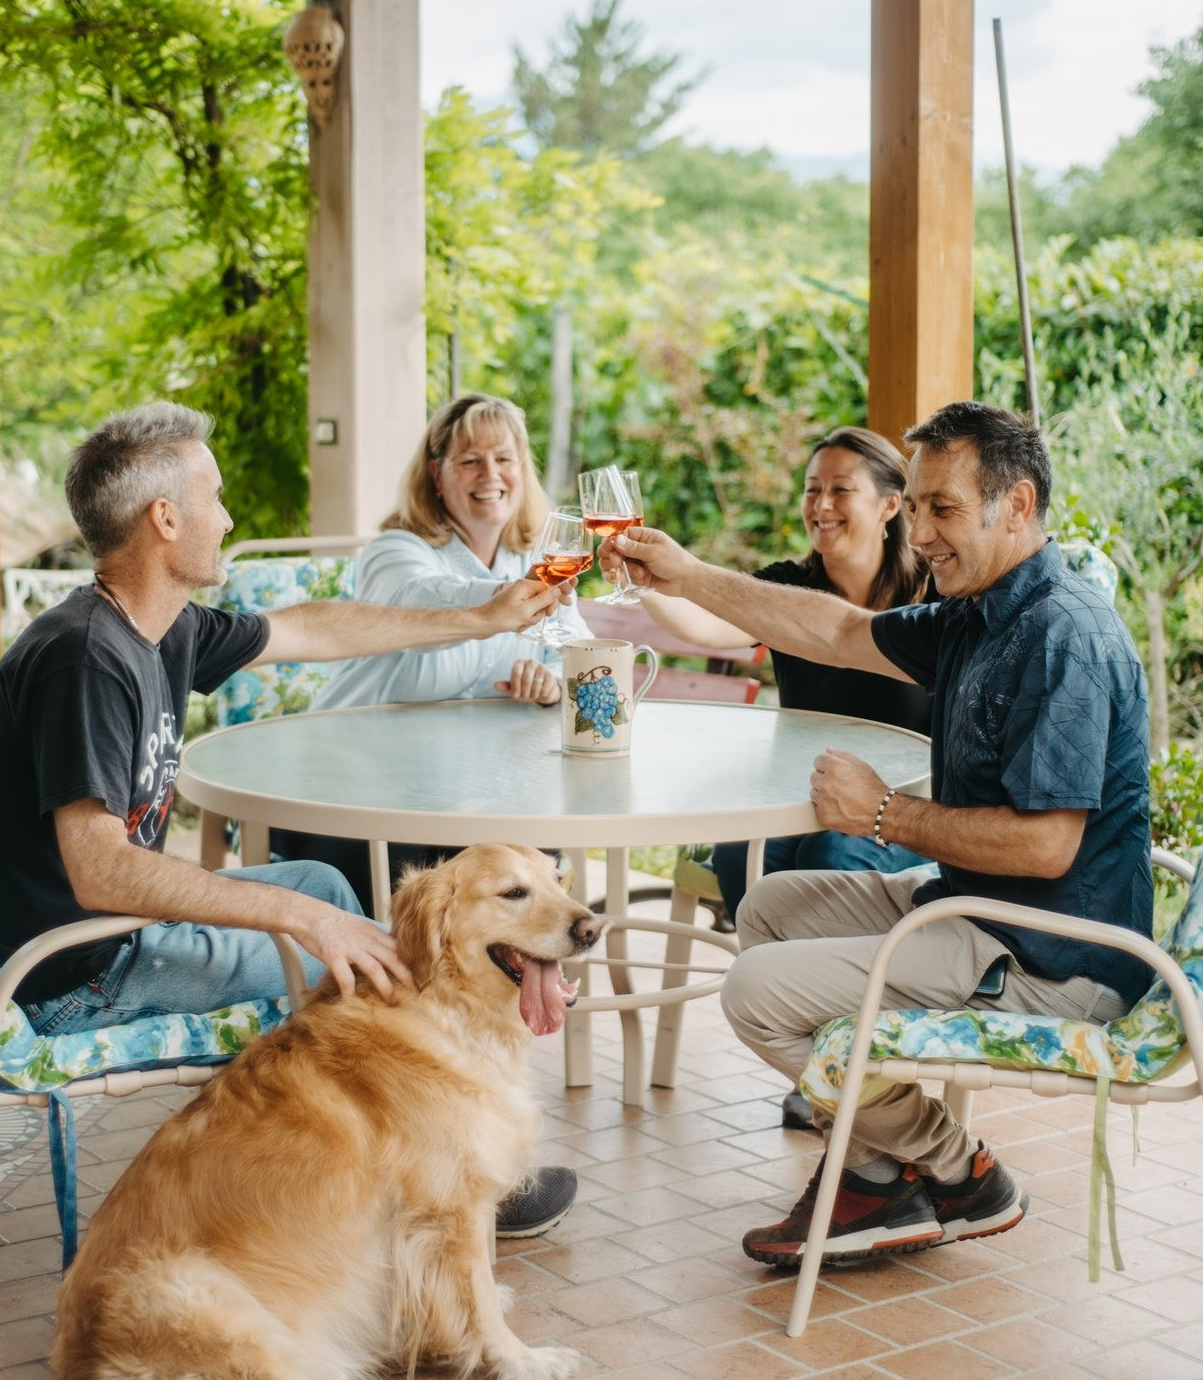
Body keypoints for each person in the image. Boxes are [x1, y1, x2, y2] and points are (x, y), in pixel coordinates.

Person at [0, 403, 570, 1237]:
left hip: (108, 936)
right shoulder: (85, 660)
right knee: (364, 972)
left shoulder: (156, 627)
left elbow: (314, 625)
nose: (229, 515)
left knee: (328, 891)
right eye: (213, 494)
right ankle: (444, 1186)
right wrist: (300, 918)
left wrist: (482, 616)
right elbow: (98, 869)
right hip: (78, 975)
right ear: (164, 518)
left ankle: (403, 1167)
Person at [614, 401, 1151, 1266]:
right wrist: (686, 572)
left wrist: (881, 815)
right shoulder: (978, 611)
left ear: (1015, 507)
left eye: (944, 508)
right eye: (920, 504)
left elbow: (1049, 845)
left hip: (1051, 953)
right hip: (981, 910)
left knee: (753, 991)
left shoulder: (1060, 634)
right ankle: (875, 1172)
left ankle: (957, 1170)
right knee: (771, 909)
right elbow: (837, 628)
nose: (923, 530)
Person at [273, 392, 591, 904]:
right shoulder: (396, 551)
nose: (490, 474)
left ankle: (521, 986)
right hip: (356, 793)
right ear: (437, 475)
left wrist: (552, 686)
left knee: (535, 861)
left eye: (504, 458)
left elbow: (578, 656)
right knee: (433, 877)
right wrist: (502, 601)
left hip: (471, 794)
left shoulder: (536, 558)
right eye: (469, 461)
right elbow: (416, 598)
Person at [631, 427, 932, 928]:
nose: (821, 504)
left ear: (889, 506)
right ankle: (778, 986)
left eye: (841, 489)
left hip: (901, 805)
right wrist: (640, 579)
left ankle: (835, 994)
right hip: (804, 796)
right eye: (813, 488)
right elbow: (702, 623)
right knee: (737, 854)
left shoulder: (931, 600)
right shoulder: (786, 589)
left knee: (835, 854)